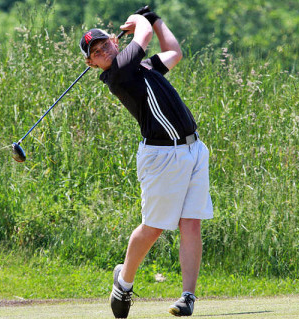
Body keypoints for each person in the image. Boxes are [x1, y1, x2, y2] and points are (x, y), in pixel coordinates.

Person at [79, 6, 213, 318]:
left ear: (114, 42)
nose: (102, 52)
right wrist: (141, 20)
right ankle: (123, 283)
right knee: (153, 228)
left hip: (193, 150)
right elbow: (145, 34)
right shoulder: (119, 73)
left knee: (191, 222)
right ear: (92, 63)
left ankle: (188, 296)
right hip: (162, 157)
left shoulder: (141, 68)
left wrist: (156, 19)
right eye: (95, 53)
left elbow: (174, 52)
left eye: (104, 45)